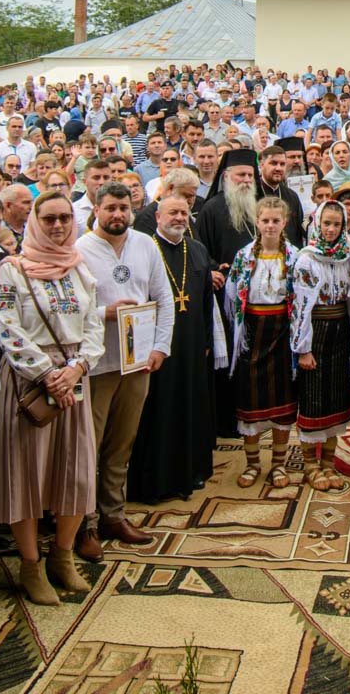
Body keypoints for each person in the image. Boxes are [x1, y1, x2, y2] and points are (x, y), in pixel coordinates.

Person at [0, 193, 103, 608]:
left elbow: (94, 324)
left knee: (74, 471)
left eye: (64, 218)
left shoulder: (80, 268)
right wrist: (48, 373)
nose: (57, 226)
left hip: (73, 380)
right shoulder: (11, 270)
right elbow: (6, 327)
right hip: (30, 384)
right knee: (28, 475)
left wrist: (77, 368)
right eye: (49, 218)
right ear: (34, 222)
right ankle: (31, 564)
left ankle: (63, 556)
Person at [75, 182, 171, 554]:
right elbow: (73, 307)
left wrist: (161, 346)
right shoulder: (80, 250)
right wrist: (105, 313)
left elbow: (161, 296)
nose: (118, 214)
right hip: (96, 364)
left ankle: (113, 514)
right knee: (88, 446)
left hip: (137, 361)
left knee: (122, 443)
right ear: (96, 209)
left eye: (124, 208)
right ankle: (85, 523)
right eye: (111, 208)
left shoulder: (145, 244)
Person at [127, 192, 217, 505]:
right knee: (158, 411)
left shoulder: (197, 249)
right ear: (158, 217)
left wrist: (207, 340)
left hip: (192, 345)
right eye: (173, 213)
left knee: (190, 406)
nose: (179, 218)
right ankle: (155, 481)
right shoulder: (143, 249)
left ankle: (190, 472)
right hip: (156, 346)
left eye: (184, 213)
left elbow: (207, 300)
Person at [227, 196, 299, 487]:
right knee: (251, 400)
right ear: (257, 222)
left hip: (282, 331)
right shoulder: (244, 256)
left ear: (285, 222)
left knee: (282, 400)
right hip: (253, 334)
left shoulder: (294, 256)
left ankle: (279, 464)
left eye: (276, 221)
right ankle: (253, 463)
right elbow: (232, 293)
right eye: (265, 220)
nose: (270, 226)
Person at [289, 200, 350, 492]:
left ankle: (329, 462)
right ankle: (310, 465)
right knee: (314, 396)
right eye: (326, 224)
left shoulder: (346, 256)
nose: (331, 230)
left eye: (336, 224)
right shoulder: (307, 258)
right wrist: (303, 348)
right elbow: (301, 307)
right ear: (316, 224)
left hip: (340, 329)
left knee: (338, 397)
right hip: (315, 331)